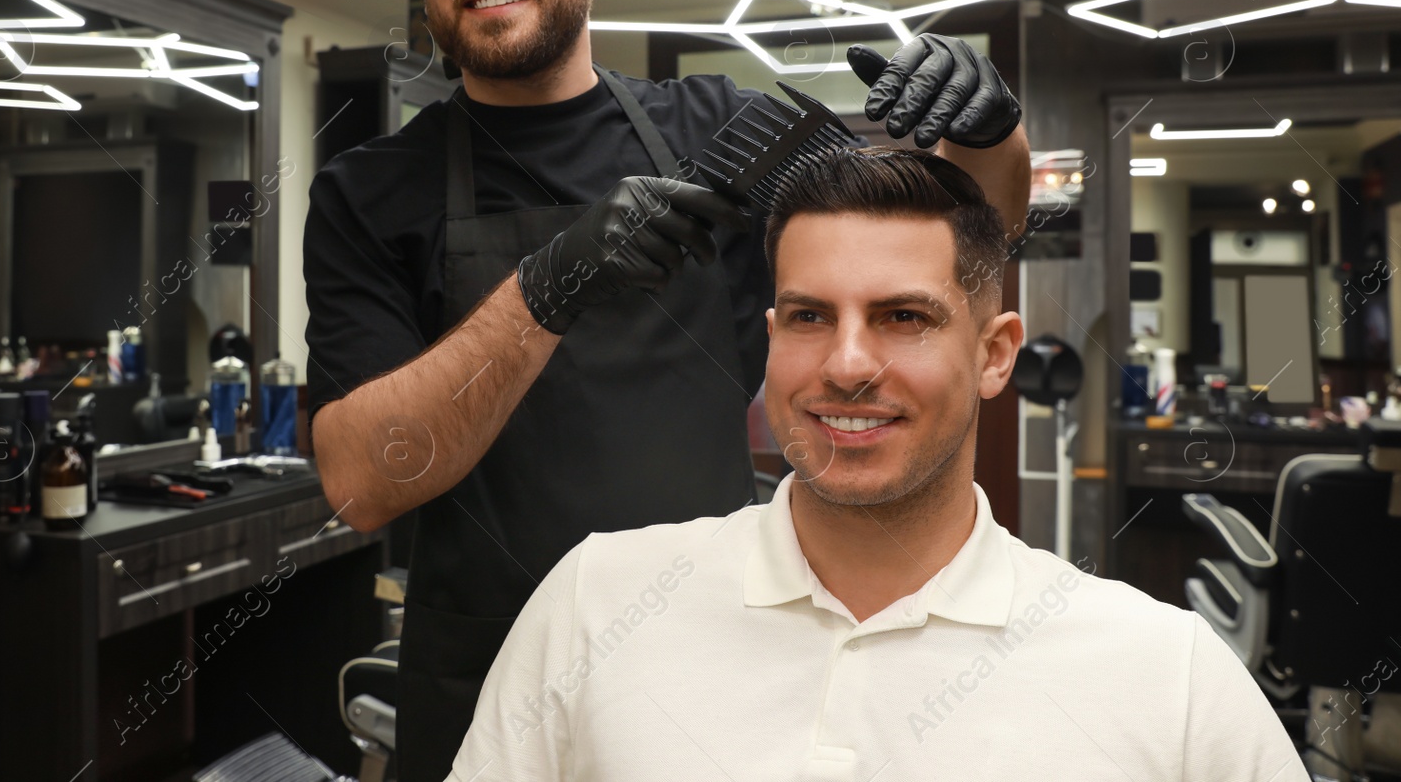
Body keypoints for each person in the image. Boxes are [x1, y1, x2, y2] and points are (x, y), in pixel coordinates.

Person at [303, 0, 1033, 781]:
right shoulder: (367, 191)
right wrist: (550, 283)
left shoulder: (716, 131)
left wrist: (994, 141)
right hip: (480, 681)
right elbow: (358, 481)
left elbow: (952, 262)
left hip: (710, 670)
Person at [448, 146, 1307, 782]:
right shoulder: (599, 603)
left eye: (903, 317)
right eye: (810, 316)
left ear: (995, 352)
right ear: (772, 335)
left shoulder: (1167, 676)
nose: (849, 364)